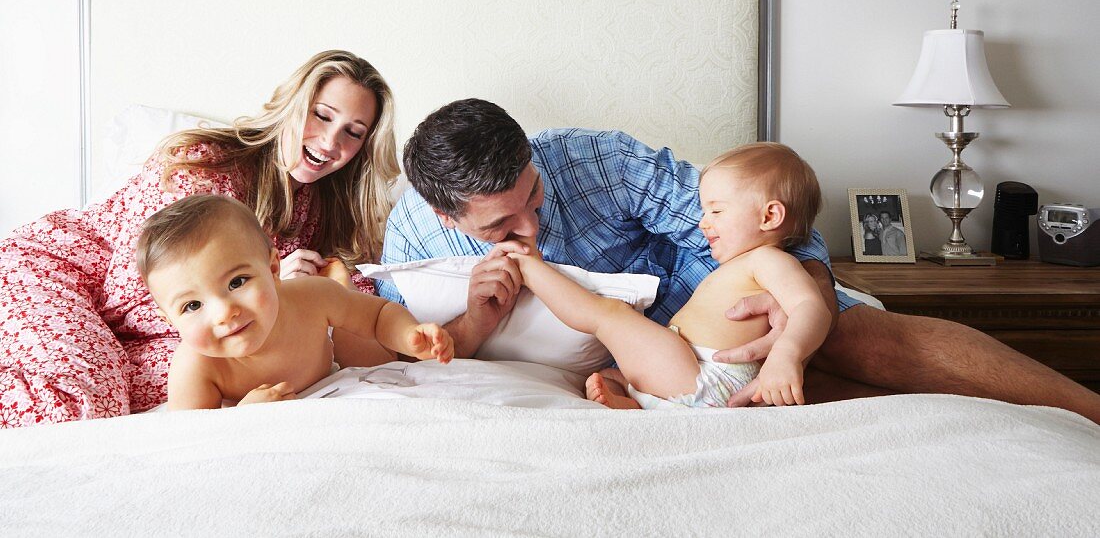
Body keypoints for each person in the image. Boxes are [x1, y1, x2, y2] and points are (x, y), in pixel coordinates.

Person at [378, 98, 1100, 423]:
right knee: (810, 405)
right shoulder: (415, 244)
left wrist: (802, 296)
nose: (531, 224)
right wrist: (473, 317)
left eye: (535, 195)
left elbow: (751, 210)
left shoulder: (593, 159)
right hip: (632, 369)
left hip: (697, 298)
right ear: (447, 216)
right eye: (505, 222)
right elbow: (406, 359)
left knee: (843, 334)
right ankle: (969, 426)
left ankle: (1087, 410)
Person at [0, 50, 400, 427]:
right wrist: (274, 289)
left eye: (353, 132)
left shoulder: (328, 212)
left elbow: (359, 316)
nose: (332, 143)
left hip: (140, 331)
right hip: (57, 273)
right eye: (322, 116)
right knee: (85, 401)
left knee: (213, 374)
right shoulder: (205, 164)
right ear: (294, 105)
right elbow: (129, 300)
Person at [509, 143, 830, 409]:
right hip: (690, 376)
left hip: (706, 376)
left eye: (716, 211)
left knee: (608, 316)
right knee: (609, 375)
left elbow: (812, 308)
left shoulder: (767, 259)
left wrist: (787, 355)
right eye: (703, 211)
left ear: (769, 215)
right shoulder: (744, 263)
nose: (703, 223)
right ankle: (633, 401)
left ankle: (530, 268)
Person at [137, 195, 452, 410]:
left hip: (330, 366)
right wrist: (240, 416)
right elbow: (189, 443)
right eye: (192, 306)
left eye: (237, 283)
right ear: (168, 320)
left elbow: (377, 315)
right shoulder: (197, 367)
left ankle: (340, 285)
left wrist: (409, 336)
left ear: (274, 269)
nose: (224, 313)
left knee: (367, 353)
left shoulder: (309, 297)